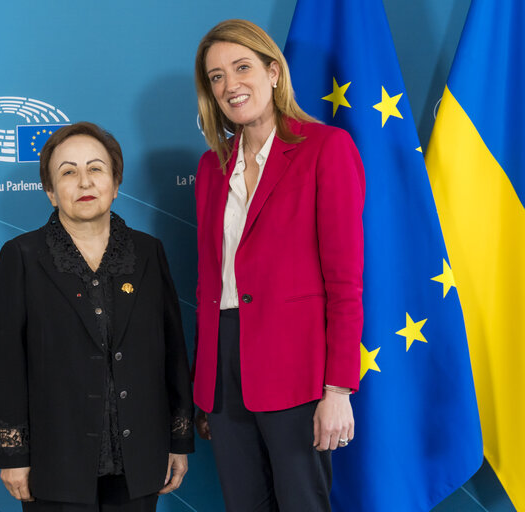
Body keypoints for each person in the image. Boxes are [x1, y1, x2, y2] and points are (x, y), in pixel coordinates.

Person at [192, 19, 365, 512]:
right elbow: (210, 280)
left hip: (297, 367)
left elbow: (345, 282)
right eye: (217, 76)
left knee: (301, 503)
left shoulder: (325, 149)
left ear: (273, 72)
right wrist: (203, 381)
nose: (230, 85)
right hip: (224, 370)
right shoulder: (211, 168)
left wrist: (338, 389)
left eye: (241, 67)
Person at [0, 121, 194, 512]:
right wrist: (13, 455)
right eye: (68, 172)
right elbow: (4, 366)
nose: (84, 182)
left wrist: (178, 440)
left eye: (96, 169)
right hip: (55, 463)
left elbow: (172, 351)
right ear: (50, 192)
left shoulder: (148, 253)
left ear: (115, 184)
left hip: (139, 459)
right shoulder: (22, 257)